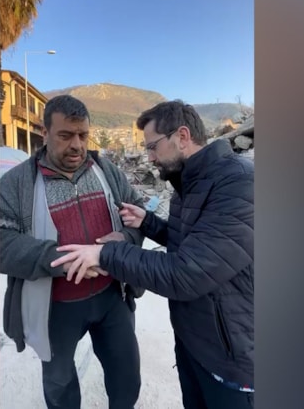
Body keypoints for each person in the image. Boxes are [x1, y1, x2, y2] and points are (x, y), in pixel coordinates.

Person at [51, 100, 254, 409]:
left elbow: (187, 273)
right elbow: (192, 243)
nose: (149, 157)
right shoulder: (189, 181)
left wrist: (106, 254)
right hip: (195, 346)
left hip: (232, 360)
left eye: (152, 147)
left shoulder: (238, 183)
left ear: (182, 137)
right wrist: (148, 223)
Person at [0, 95, 146, 409]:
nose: (77, 145)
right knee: (59, 385)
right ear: (45, 133)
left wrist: (124, 238)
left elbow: (138, 215)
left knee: (127, 377)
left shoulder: (106, 171)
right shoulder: (17, 184)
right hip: (55, 308)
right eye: (65, 135)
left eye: (83, 135)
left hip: (112, 298)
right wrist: (59, 259)